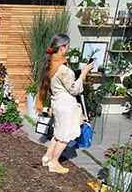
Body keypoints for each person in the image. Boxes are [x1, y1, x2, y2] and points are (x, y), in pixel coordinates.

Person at [36, 34, 94, 173]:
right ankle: (54, 162)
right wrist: (84, 73)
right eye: (67, 47)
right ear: (62, 48)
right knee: (65, 135)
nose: (68, 50)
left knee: (58, 133)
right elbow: (74, 89)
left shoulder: (50, 63)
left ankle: (47, 157)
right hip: (66, 104)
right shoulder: (62, 68)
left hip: (57, 102)